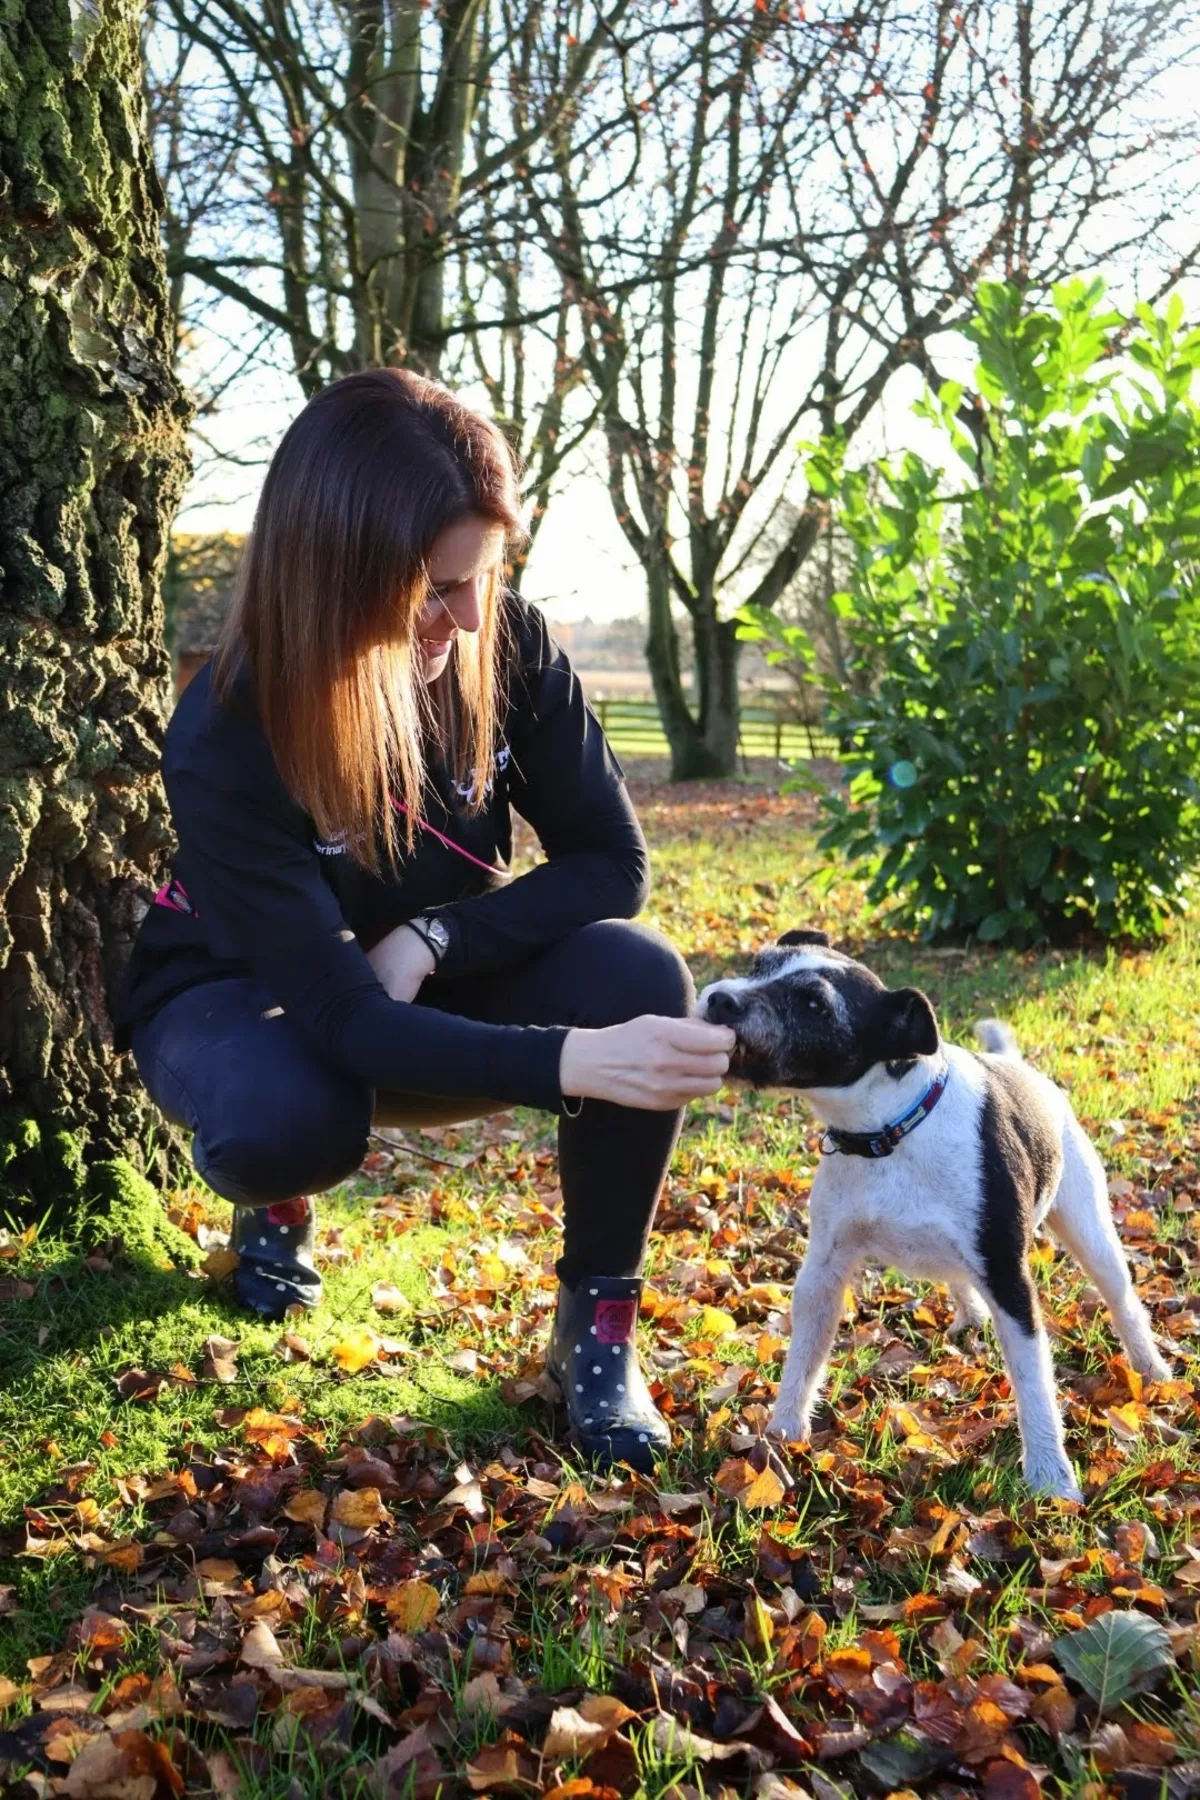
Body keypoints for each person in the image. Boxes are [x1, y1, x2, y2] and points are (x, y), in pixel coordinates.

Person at [115, 367, 736, 1472]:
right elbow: (343, 1020)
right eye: (430, 589)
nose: (459, 618)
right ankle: (279, 1209)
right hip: (240, 993)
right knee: (291, 1120)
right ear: (335, 574)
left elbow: (612, 861)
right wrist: (578, 1064)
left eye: (477, 580)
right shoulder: (229, 728)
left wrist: (437, 937)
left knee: (637, 971)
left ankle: (598, 1338)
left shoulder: (507, 641)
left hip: (412, 974)